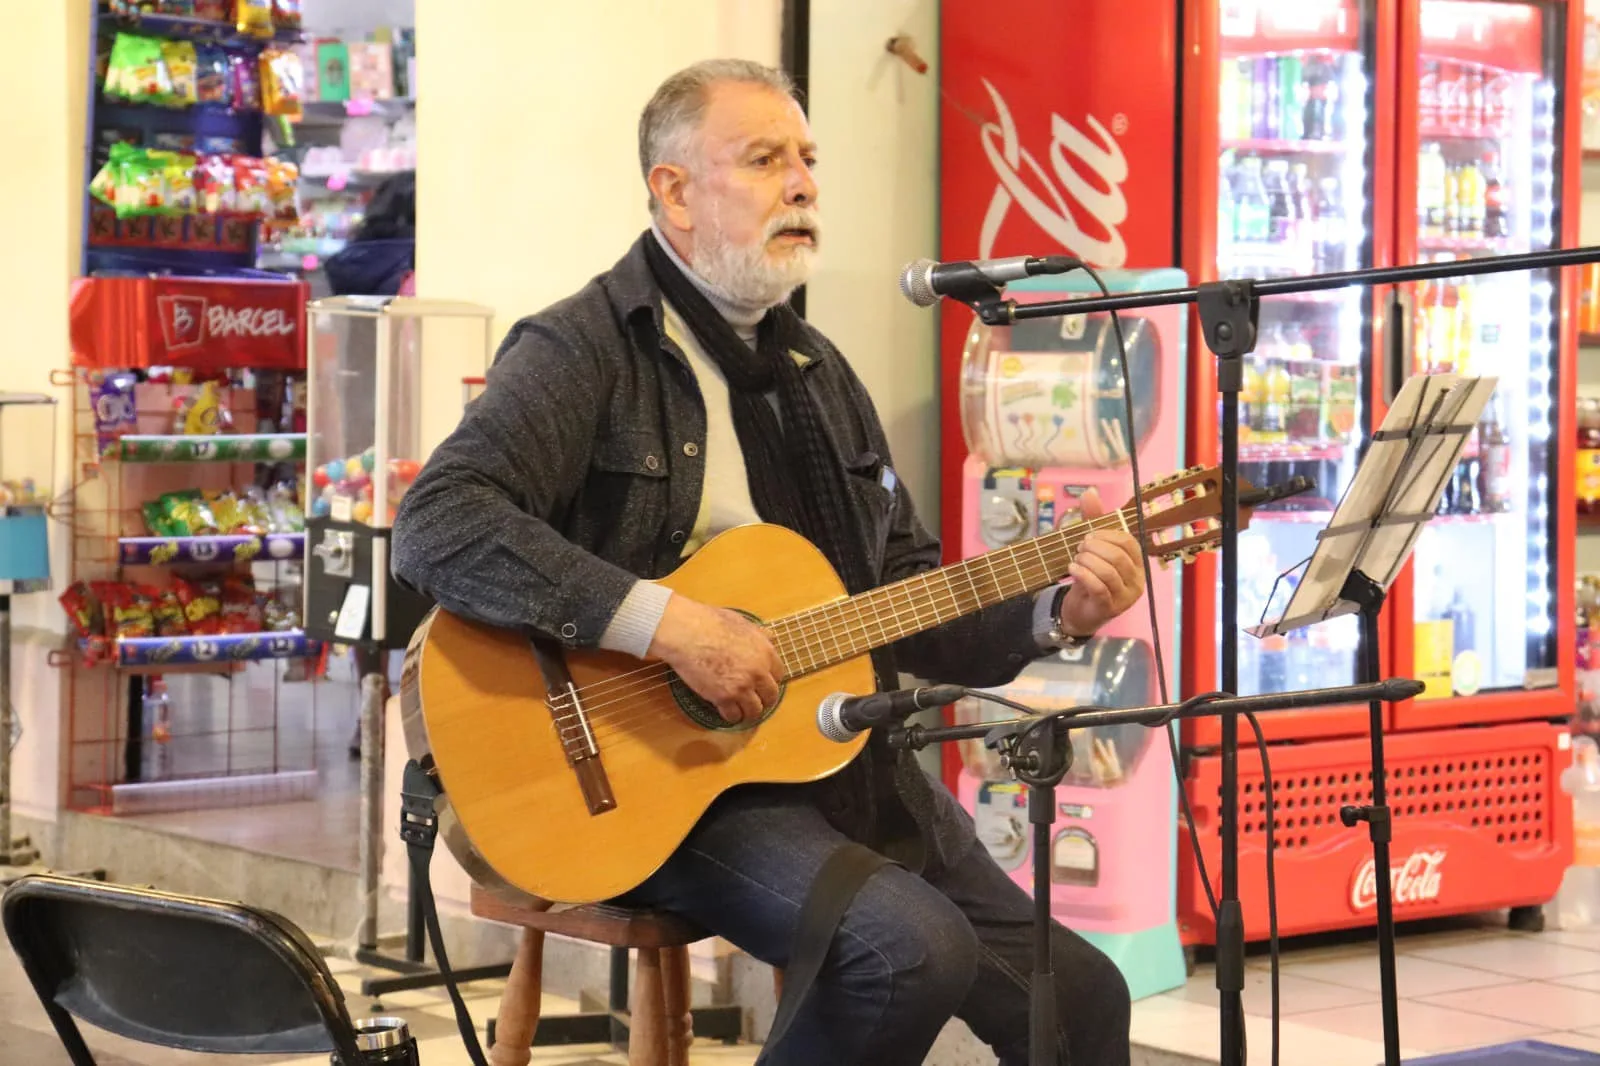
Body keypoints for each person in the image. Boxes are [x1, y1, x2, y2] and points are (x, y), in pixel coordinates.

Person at [391, 59, 1146, 1066]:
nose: (803, 184)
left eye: (806, 159)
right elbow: (438, 520)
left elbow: (906, 598)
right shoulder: (584, 349)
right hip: (655, 782)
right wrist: (671, 626)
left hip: (838, 764)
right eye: (763, 159)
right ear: (673, 192)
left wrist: (1054, 608)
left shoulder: (818, 376)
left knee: (1083, 1001)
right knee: (907, 949)